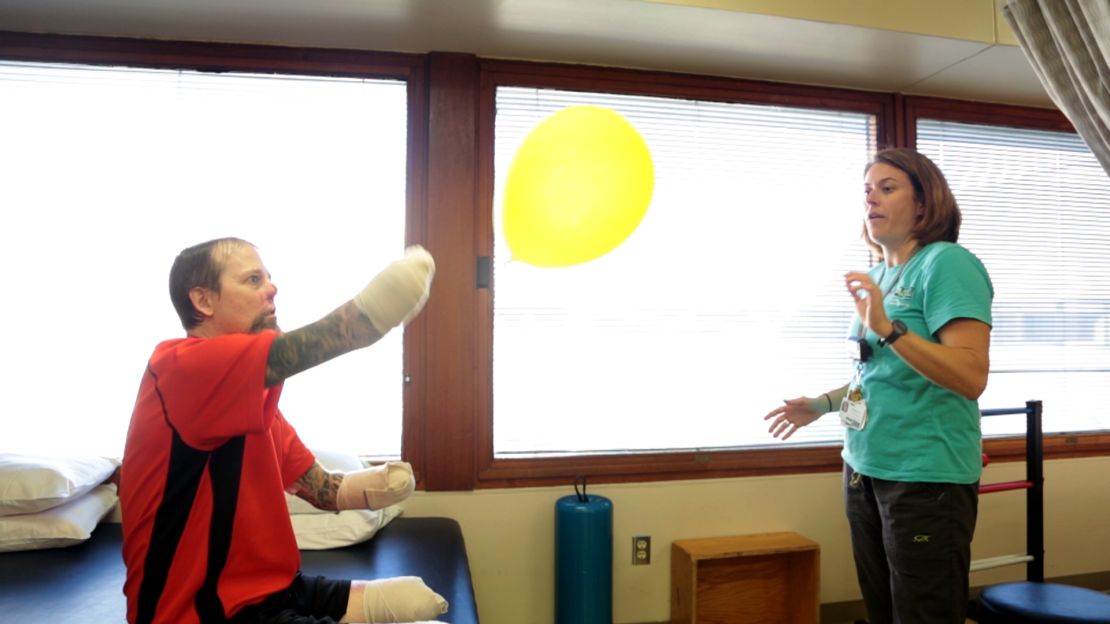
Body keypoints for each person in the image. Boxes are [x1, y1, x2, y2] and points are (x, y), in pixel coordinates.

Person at [119, 238, 447, 624]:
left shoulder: (253, 407)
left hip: (271, 591)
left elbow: (323, 490)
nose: (272, 288)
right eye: (253, 279)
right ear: (203, 301)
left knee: (412, 601)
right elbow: (329, 338)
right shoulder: (177, 370)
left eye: (269, 278)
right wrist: (378, 308)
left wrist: (381, 485)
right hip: (198, 613)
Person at [764, 148, 993, 624]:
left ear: (925, 204)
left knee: (923, 615)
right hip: (863, 467)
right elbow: (873, 372)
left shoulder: (946, 263)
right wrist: (822, 404)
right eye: (867, 190)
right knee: (883, 610)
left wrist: (889, 327)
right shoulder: (876, 275)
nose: (872, 199)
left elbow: (971, 376)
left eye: (888, 188)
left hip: (925, 474)